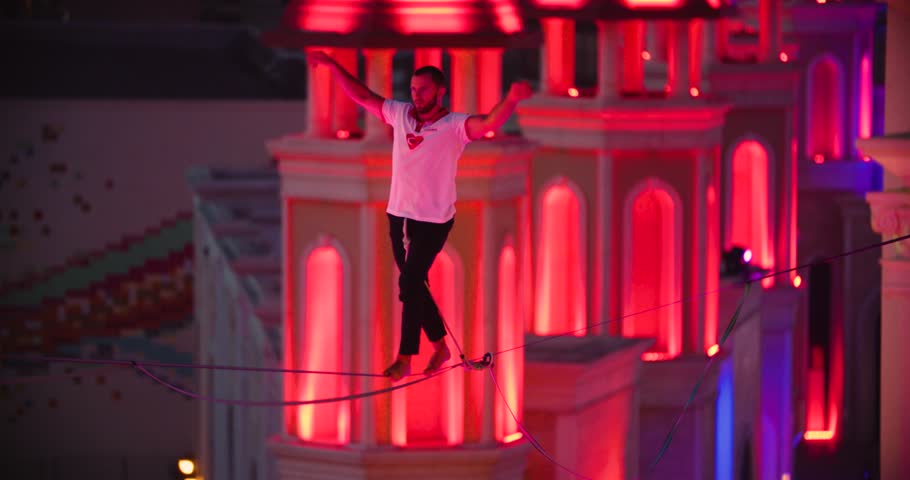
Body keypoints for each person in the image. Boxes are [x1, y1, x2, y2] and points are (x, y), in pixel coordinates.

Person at [307, 51, 532, 381]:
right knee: (415, 285)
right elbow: (362, 96)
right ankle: (440, 346)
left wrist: (511, 99)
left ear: (440, 91)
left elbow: (488, 123)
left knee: (409, 281)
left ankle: (405, 356)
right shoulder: (400, 115)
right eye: (413, 89)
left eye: (424, 89)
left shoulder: (454, 125)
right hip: (398, 216)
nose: (416, 95)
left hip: (433, 220)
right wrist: (332, 65)